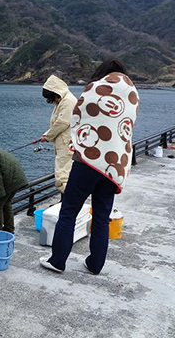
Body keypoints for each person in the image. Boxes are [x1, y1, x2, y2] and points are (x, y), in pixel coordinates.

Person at [40, 59, 139, 275]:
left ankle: (58, 261)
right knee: (102, 217)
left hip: (89, 161)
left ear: (103, 74)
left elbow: (78, 116)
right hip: (113, 167)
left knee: (69, 212)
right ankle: (95, 265)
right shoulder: (132, 96)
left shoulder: (95, 89)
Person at [40, 75, 78, 197]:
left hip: (66, 143)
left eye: (50, 97)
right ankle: (67, 202)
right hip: (64, 142)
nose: (51, 100)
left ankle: (67, 203)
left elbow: (62, 123)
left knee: (63, 175)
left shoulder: (68, 101)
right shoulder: (63, 100)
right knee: (66, 172)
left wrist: (48, 136)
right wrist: (47, 135)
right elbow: (59, 122)